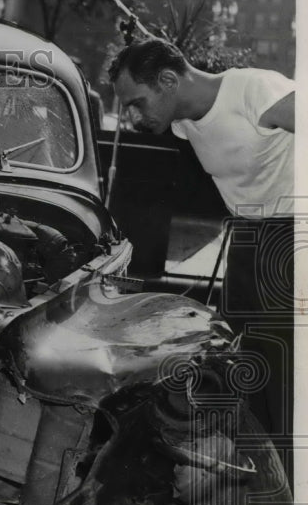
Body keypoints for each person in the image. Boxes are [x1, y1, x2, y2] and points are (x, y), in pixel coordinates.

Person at [108, 38, 295, 481]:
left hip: (291, 240)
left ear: (169, 80)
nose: (133, 116)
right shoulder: (184, 123)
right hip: (250, 240)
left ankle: (291, 489)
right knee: (241, 361)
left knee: (286, 371)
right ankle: (262, 475)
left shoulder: (254, 91)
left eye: (136, 102)